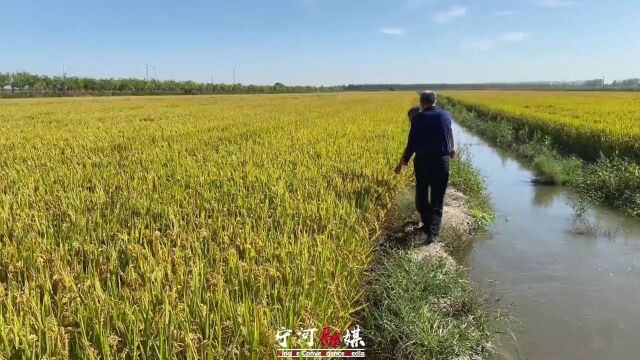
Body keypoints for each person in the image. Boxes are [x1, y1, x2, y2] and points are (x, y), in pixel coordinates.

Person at [395, 91, 456, 242]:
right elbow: (449, 132)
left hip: (423, 161)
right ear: (435, 101)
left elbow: (412, 142)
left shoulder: (417, 119)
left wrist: (405, 160)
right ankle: (431, 231)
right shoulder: (446, 115)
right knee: (437, 197)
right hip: (441, 161)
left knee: (421, 197)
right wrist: (452, 148)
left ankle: (430, 228)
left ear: (421, 103)